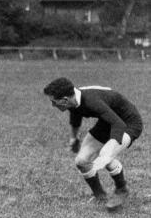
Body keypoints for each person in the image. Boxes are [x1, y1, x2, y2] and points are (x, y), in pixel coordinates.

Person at [43, 77, 143, 211]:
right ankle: (100, 195)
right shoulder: (74, 101)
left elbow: (118, 124)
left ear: (65, 100)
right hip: (108, 122)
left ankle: (121, 189)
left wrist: (108, 152)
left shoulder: (91, 101)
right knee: (81, 161)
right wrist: (74, 138)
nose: (53, 105)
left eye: (54, 102)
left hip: (128, 123)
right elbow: (75, 115)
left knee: (106, 155)